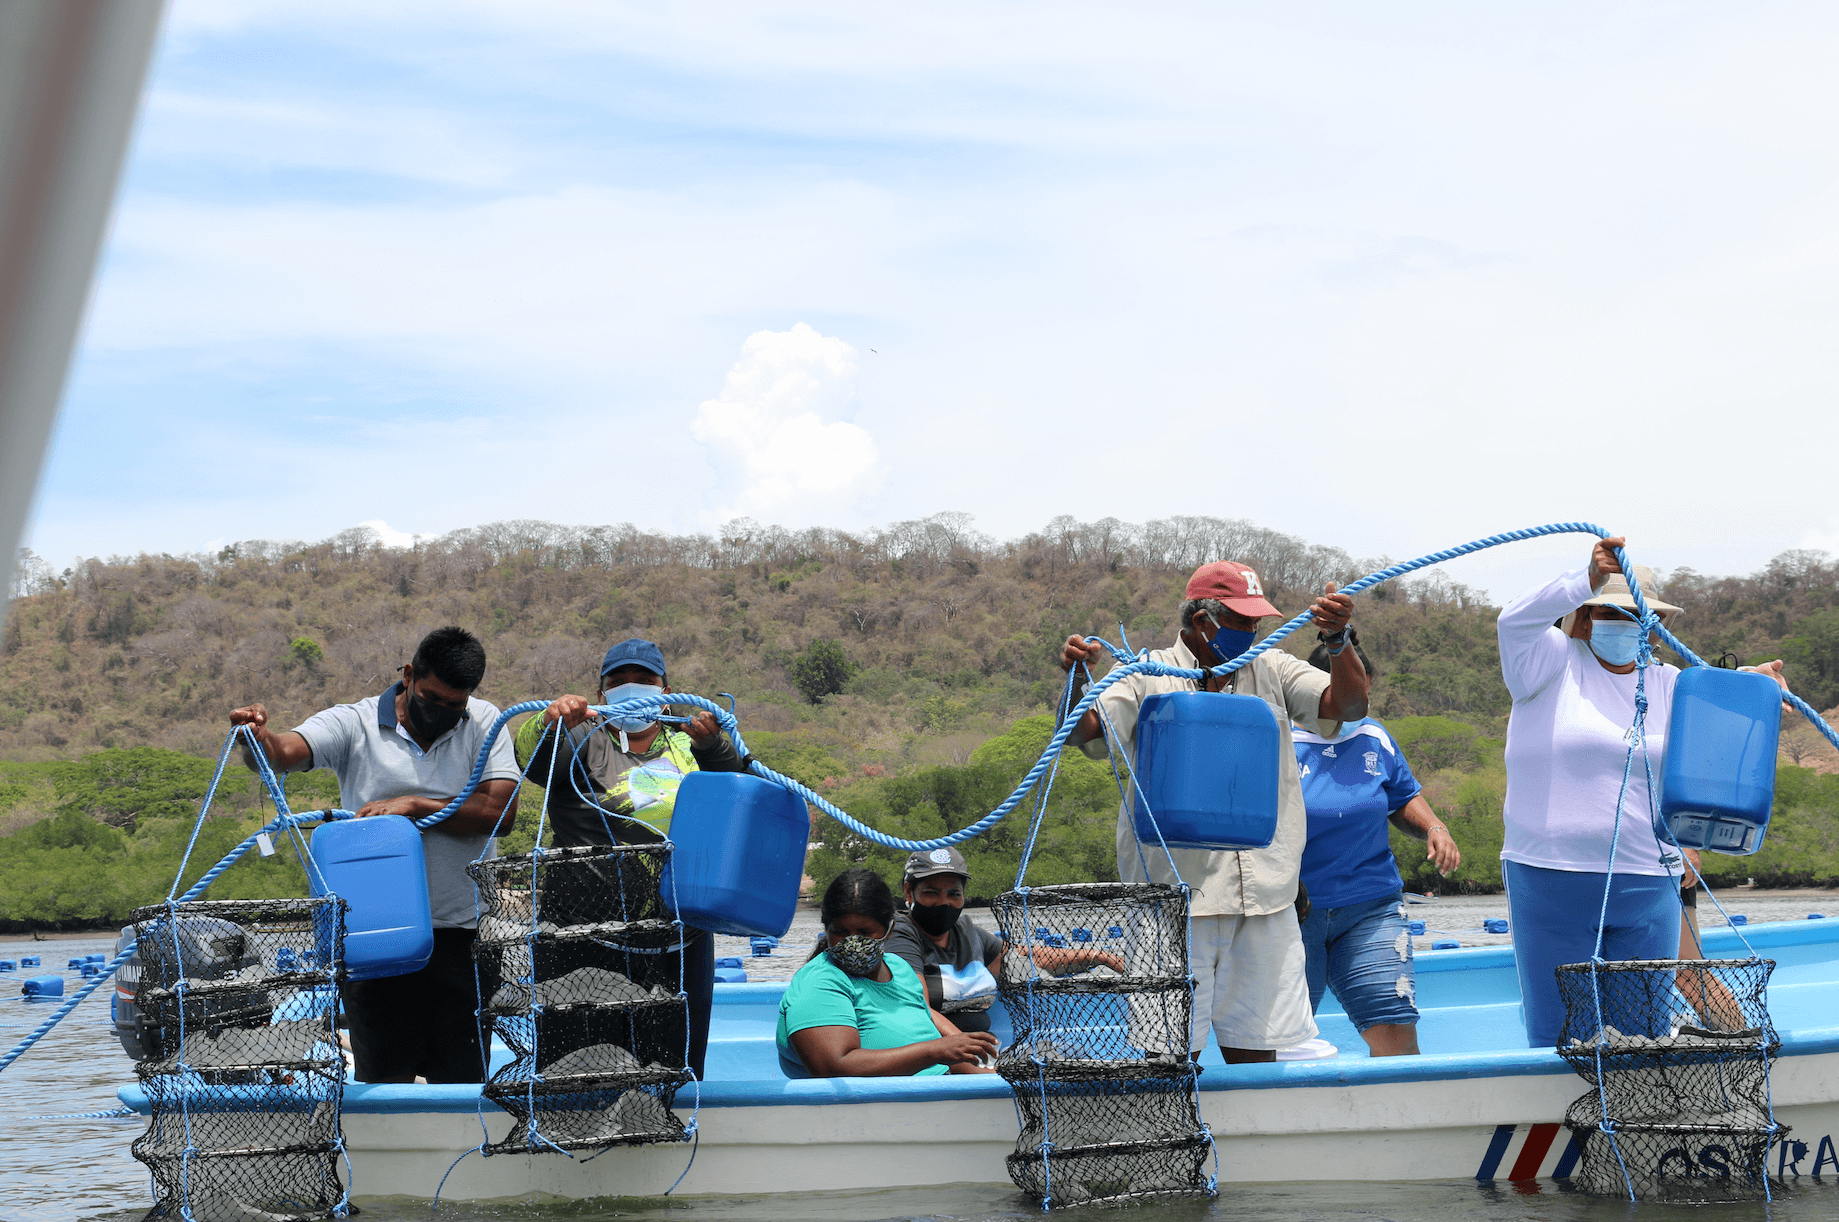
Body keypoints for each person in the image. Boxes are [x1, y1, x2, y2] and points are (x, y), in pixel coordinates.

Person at [1059, 561, 1369, 1064]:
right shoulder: (1144, 672)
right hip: (1174, 906)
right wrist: (1078, 678)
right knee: (1168, 1058)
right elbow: (1085, 730)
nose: (1252, 631)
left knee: (1257, 1048)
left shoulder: (1273, 667)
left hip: (1265, 899)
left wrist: (1338, 640)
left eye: (1255, 622)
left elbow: (1348, 706)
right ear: (1202, 619)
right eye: (1241, 622)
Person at [1497, 536, 1786, 1047]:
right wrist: (1582, 580)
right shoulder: (1548, 662)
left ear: (1656, 625)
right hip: (1550, 879)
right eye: (1611, 611)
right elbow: (1512, 622)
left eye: (1636, 615)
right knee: (1561, 1036)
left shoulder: (1672, 682)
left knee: (1645, 1038)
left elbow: (1715, 711)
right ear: (1584, 617)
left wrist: (1751, 685)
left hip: (1648, 882)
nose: (1625, 623)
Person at [230, 626, 521, 1084]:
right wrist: (255, 738)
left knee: (464, 1078)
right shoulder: (353, 723)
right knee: (386, 1075)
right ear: (408, 675)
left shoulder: (486, 722)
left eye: (454, 705)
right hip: (374, 940)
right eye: (432, 697)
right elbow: (282, 753)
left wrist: (415, 806)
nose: (442, 712)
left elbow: (498, 813)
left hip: (461, 935)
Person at [512, 637, 745, 1079]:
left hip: (679, 936)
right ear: (600, 693)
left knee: (675, 1067)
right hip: (583, 939)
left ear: (665, 689)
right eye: (619, 681)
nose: (632, 689)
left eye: (645, 680)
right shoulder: (581, 735)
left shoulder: (687, 742)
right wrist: (548, 720)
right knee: (579, 1066)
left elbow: (739, 802)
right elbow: (532, 762)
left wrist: (715, 749)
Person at [1291, 632, 1460, 1057]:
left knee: (1395, 1034)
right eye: (1347, 683)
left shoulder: (1374, 736)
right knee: (1287, 1039)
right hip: (1291, 912)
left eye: (1363, 683)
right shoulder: (1278, 739)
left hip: (1370, 907)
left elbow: (1402, 798)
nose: (1358, 695)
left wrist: (1435, 828)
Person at [778, 868, 1000, 1078]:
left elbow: (940, 1048)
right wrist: (935, 1051)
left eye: (865, 932)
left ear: (889, 930)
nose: (853, 941)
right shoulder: (819, 981)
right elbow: (834, 1066)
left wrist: (991, 1076)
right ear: (827, 930)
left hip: (940, 1088)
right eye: (841, 932)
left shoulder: (899, 968)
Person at [885, 847, 1125, 1034]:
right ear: (909, 892)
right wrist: (961, 1046)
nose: (944, 902)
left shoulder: (966, 931)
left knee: (1022, 969)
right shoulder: (901, 933)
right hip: (938, 1055)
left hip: (978, 1045)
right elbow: (917, 1006)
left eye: (953, 894)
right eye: (931, 892)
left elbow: (1029, 957)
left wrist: (1100, 957)